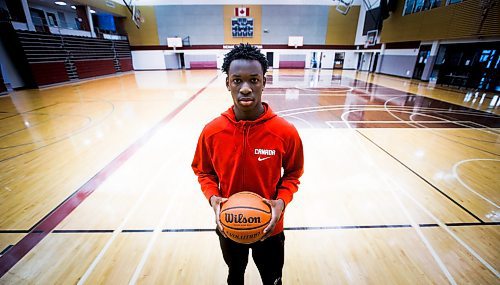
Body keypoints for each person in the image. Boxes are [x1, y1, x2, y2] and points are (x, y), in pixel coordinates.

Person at [191, 43, 304, 285]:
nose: (245, 88)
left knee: (272, 280)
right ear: (227, 83)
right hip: (230, 225)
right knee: (235, 277)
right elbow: (203, 171)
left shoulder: (285, 132)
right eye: (237, 80)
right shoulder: (212, 131)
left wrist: (281, 202)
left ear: (264, 81)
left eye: (253, 80)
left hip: (270, 226)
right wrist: (213, 198)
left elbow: (294, 173)